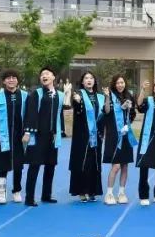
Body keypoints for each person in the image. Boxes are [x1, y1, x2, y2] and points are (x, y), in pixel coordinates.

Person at [22, 67, 66, 206]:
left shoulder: (59, 95)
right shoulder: (36, 93)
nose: (44, 76)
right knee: (34, 165)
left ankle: (46, 195)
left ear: (53, 77)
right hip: (38, 134)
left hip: (52, 135)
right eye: (42, 74)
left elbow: (59, 113)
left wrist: (61, 130)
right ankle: (29, 197)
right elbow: (31, 113)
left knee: (50, 165)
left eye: (47, 74)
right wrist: (27, 132)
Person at [0, 70, 27, 204]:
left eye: (14, 78)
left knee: (18, 165)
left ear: (17, 80)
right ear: (4, 81)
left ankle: (17, 191)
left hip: (19, 136)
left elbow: (29, 115)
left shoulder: (24, 96)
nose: (11, 80)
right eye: (8, 78)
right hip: (2, 136)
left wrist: (27, 132)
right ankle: (0, 193)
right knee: (2, 164)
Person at [69, 71, 105, 202]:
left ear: (94, 81)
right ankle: (82, 191)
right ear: (82, 82)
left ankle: (92, 190)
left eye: (91, 78)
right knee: (82, 161)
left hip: (97, 134)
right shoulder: (78, 94)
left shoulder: (100, 97)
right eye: (86, 78)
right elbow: (77, 110)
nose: (89, 80)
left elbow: (105, 114)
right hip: (82, 134)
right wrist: (77, 102)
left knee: (94, 162)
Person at [102, 75, 137, 205]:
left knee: (125, 165)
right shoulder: (110, 96)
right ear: (114, 84)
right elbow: (106, 111)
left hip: (125, 133)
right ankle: (109, 193)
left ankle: (121, 193)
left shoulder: (129, 96)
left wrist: (128, 109)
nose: (120, 85)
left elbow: (132, 114)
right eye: (117, 83)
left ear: (125, 83)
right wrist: (106, 97)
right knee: (116, 165)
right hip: (113, 134)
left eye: (122, 82)